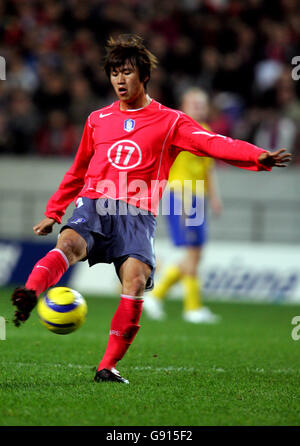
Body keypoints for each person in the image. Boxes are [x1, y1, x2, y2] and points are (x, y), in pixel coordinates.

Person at [11, 34, 291, 385]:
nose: (119, 80)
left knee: (136, 280)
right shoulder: (97, 119)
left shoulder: (171, 121)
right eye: (114, 73)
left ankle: (108, 367)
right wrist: (55, 211)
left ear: (143, 75)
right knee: (68, 245)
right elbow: (78, 169)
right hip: (97, 201)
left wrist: (256, 155)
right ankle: (30, 293)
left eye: (126, 72)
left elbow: (211, 143)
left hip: (138, 212)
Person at [144, 87, 222, 323]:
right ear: (184, 105)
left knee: (196, 254)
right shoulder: (177, 129)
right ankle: (192, 307)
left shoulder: (207, 131)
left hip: (198, 198)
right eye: (194, 102)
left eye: (202, 103)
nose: (198, 106)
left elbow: (208, 170)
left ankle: (157, 296)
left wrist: (215, 197)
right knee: (190, 254)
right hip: (180, 196)